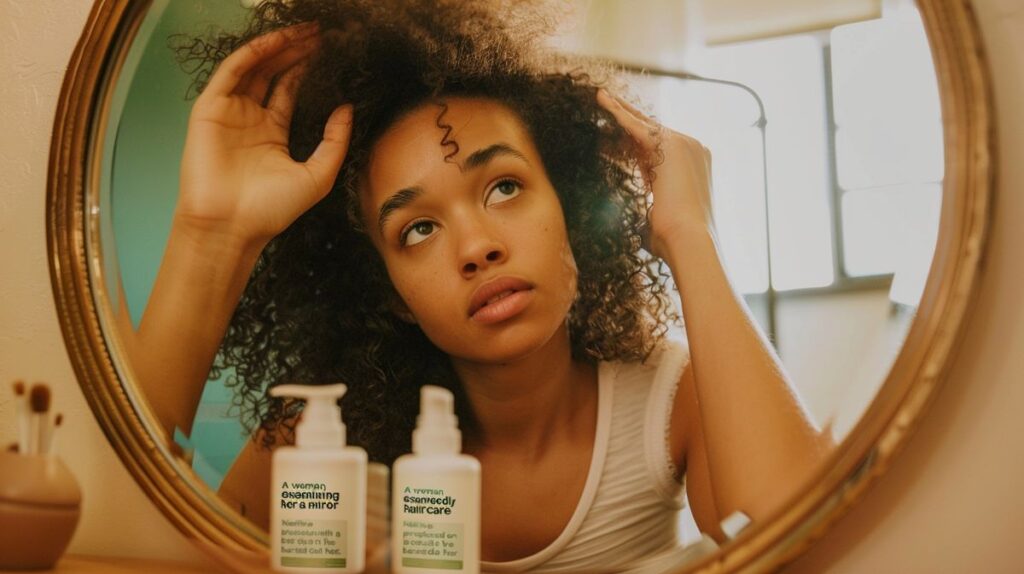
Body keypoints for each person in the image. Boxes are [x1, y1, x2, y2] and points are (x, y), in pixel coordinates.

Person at [116, 0, 832, 569]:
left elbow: (812, 540)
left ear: (572, 212)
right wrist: (211, 237)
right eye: (417, 229)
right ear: (390, 291)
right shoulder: (322, 445)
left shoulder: (667, 397)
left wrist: (690, 238)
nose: (478, 247)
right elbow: (123, 533)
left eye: (505, 187)